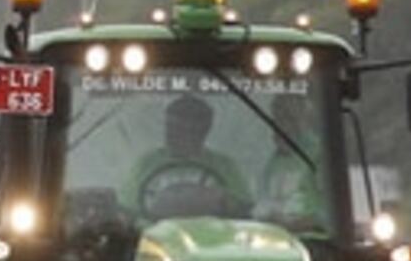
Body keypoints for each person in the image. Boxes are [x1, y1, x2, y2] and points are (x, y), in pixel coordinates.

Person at [121, 94, 250, 218]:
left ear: (204, 131)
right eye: (173, 126)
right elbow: (126, 209)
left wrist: (222, 201)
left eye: (189, 128)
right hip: (153, 236)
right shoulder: (147, 164)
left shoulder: (224, 167)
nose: (177, 134)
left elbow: (244, 209)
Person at [258, 94, 324, 225]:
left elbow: (333, 211)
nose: (282, 125)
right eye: (278, 118)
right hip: (276, 237)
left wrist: (307, 221)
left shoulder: (320, 155)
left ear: (304, 119)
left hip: (312, 239)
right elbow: (263, 203)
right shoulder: (273, 162)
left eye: (289, 118)